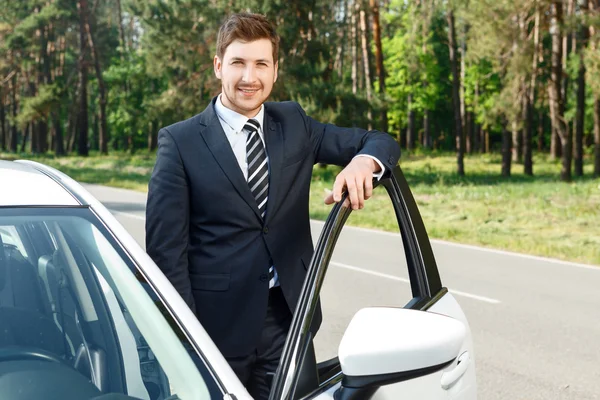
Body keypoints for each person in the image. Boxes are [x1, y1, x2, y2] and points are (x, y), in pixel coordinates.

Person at [145, 12, 400, 400]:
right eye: (238, 63)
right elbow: (166, 253)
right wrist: (186, 338)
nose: (250, 77)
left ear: (275, 70)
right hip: (214, 330)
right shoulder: (179, 143)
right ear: (218, 66)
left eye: (261, 64)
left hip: (289, 322)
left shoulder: (295, 124)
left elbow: (379, 140)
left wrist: (364, 162)